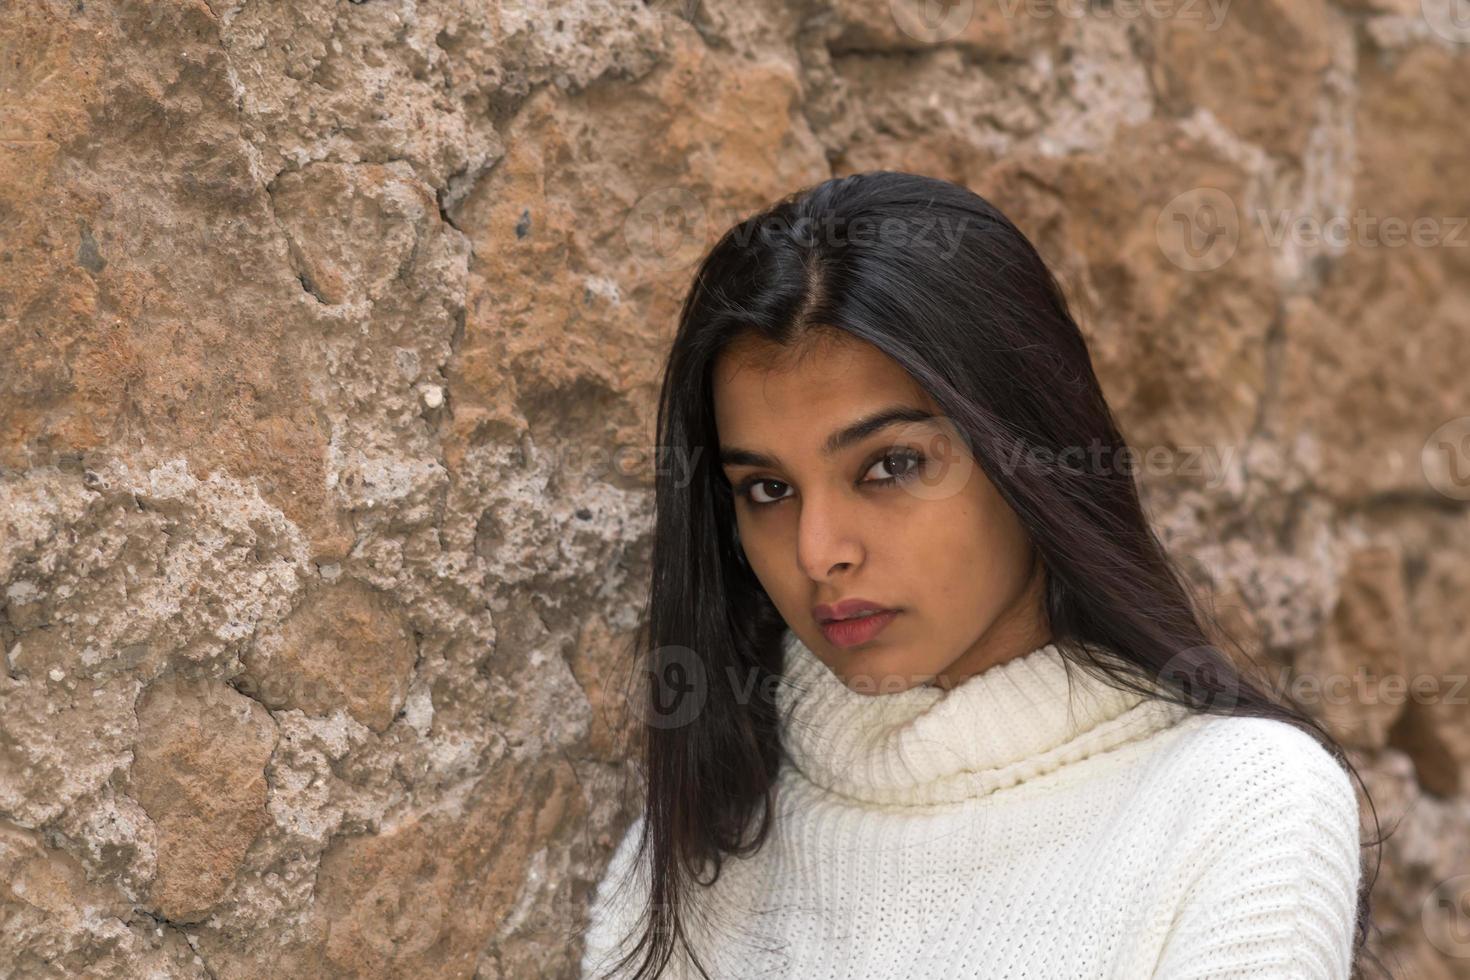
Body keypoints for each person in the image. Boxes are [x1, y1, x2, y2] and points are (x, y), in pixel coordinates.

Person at [579, 172, 1388, 979]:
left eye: (890, 466)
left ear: (1025, 453)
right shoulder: (692, 853)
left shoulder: (1239, 804)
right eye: (768, 489)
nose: (817, 550)